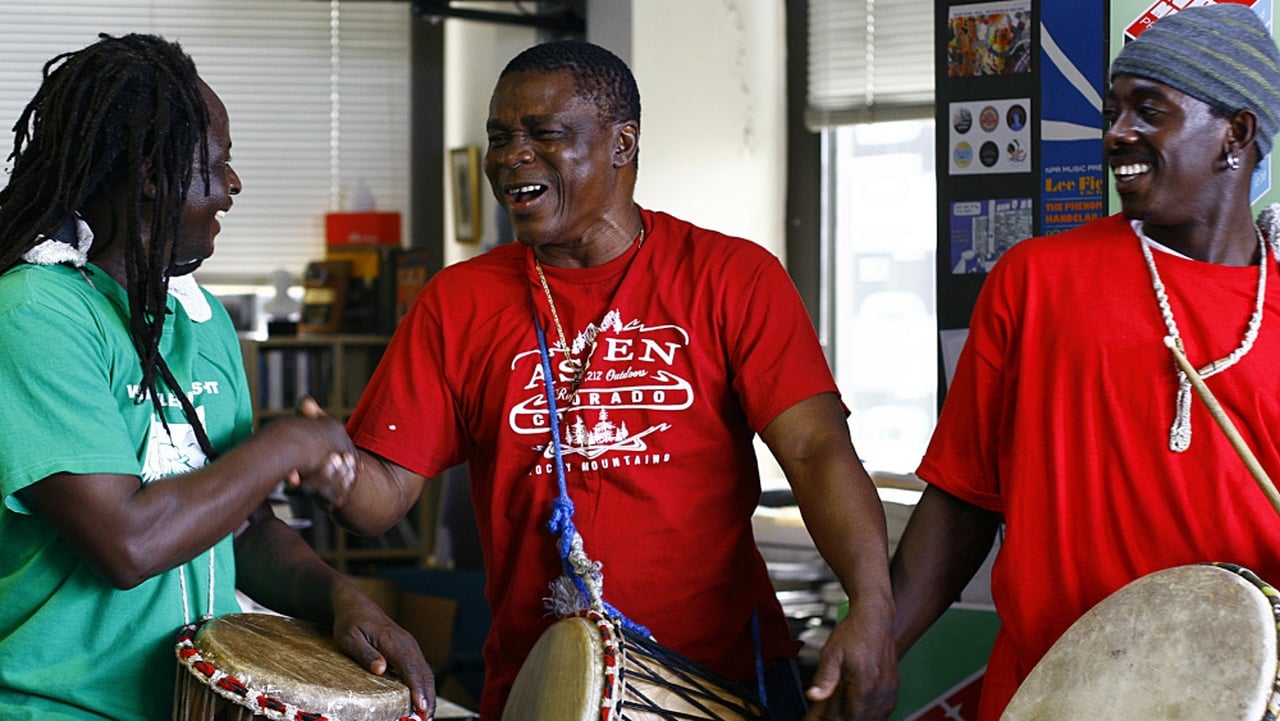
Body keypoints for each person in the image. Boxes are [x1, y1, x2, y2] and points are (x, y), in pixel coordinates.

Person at [334, 40, 896, 720]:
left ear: (622, 142)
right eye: (499, 137)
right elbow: (385, 493)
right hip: (542, 690)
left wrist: (871, 605)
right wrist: (321, 460)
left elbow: (815, 451)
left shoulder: (733, 277)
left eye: (544, 135)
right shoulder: (459, 302)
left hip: (721, 683)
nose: (514, 156)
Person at [0, 34, 433, 720]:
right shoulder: (35, 313)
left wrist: (338, 593)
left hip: (193, 701)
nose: (232, 187)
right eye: (218, 165)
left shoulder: (200, 319)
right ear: (152, 174)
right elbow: (128, 541)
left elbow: (239, 525)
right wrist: (289, 443)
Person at [890, 5, 1280, 720]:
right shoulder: (1036, 279)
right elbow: (964, 496)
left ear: (1238, 134)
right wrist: (876, 648)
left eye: (1148, 110)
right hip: (1047, 697)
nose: (1116, 133)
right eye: (1113, 110)